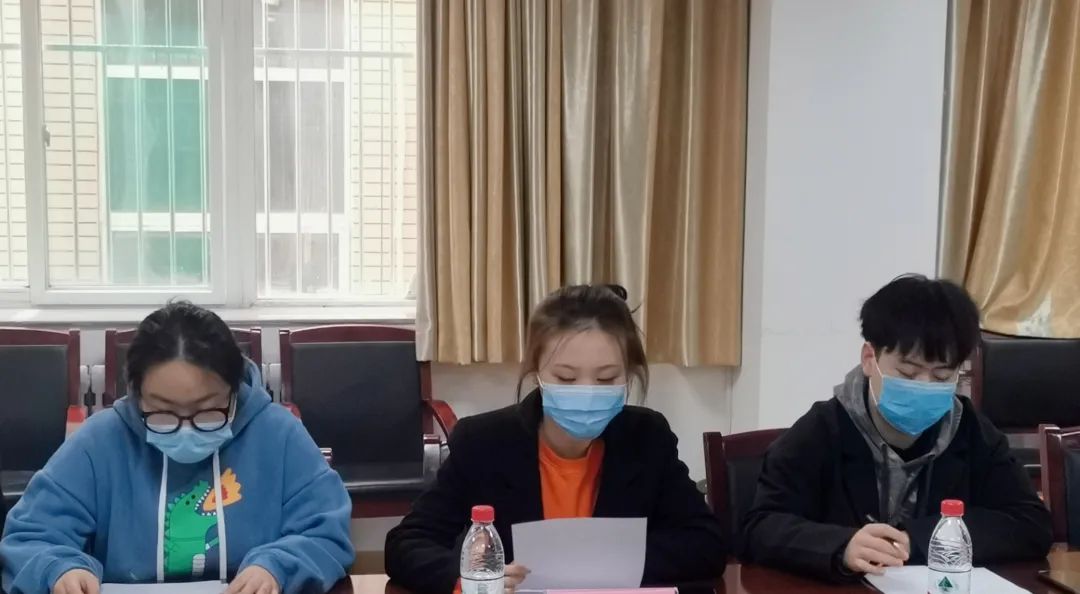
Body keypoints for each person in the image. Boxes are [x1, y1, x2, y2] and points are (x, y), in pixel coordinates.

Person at [385, 284, 727, 593]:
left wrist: (611, 564)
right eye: (565, 377)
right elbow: (406, 543)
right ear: (537, 372)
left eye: (606, 379)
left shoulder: (647, 437)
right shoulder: (484, 442)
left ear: (629, 374)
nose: (587, 392)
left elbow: (706, 544)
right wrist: (472, 578)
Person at [0, 302, 354, 594]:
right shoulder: (100, 441)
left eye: (207, 411)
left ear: (234, 390)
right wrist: (59, 569)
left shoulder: (278, 434)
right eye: (163, 412)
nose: (186, 428)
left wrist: (278, 567)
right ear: (137, 393)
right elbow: (31, 535)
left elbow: (326, 530)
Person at [740, 275, 1052, 581]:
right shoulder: (823, 429)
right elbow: (761, 526)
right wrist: (841, 547)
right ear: (869, 359)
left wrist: (917, 540)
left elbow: (1031, 524)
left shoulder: (970, 431)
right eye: (908, 373)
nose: (925, 386)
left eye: (942, 376)